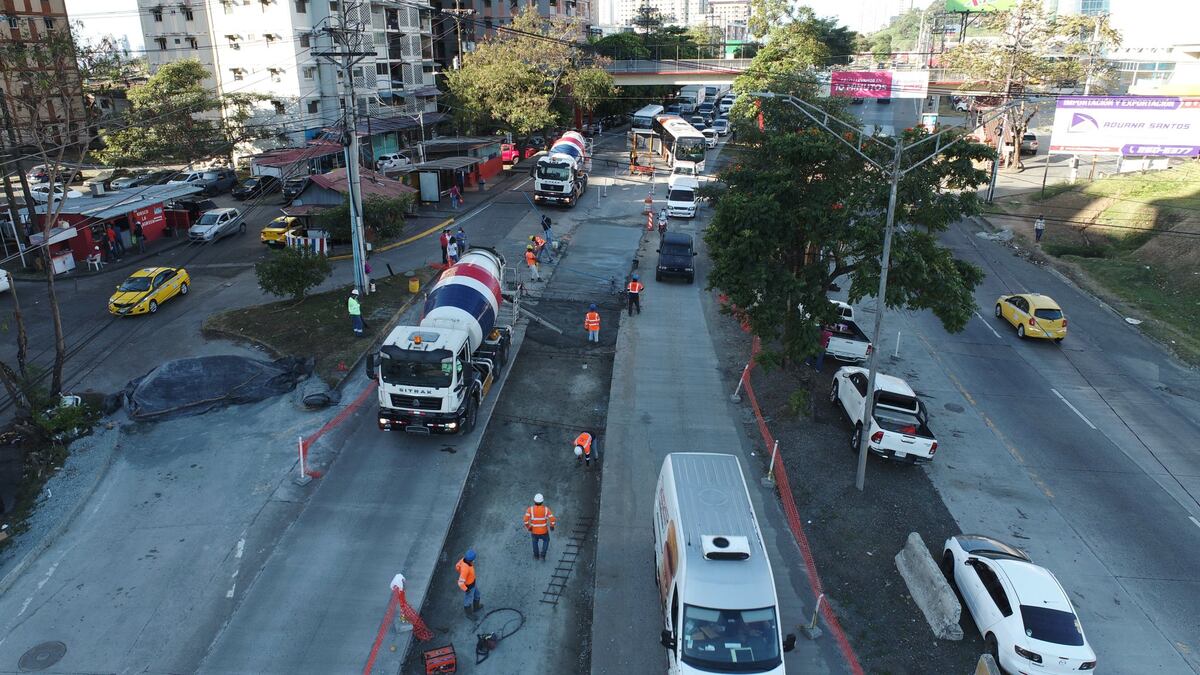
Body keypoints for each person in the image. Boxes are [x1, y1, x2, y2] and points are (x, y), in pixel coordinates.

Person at [524, 493, 557, 560]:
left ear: (534, 501)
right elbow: (552, 519)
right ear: (542, 501)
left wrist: (529, 527)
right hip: (544, 531)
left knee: (534, 542)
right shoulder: (546, 509)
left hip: (534, 531)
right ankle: (543, 555)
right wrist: (552, 526)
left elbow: (525, 520)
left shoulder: (530, 509)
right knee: (546, 540)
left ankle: (536, 556)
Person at [456, 549, 482, 617]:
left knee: (477, 595)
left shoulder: (463, 560)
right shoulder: (465, 569)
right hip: (469, 587)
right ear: (471, 560)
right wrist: (466, 590)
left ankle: (476, 607)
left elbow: (457, 566)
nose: (474, 561)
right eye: (473, 560)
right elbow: (460, 583)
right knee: (468, 602)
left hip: (473, 583)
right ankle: (469, 614)